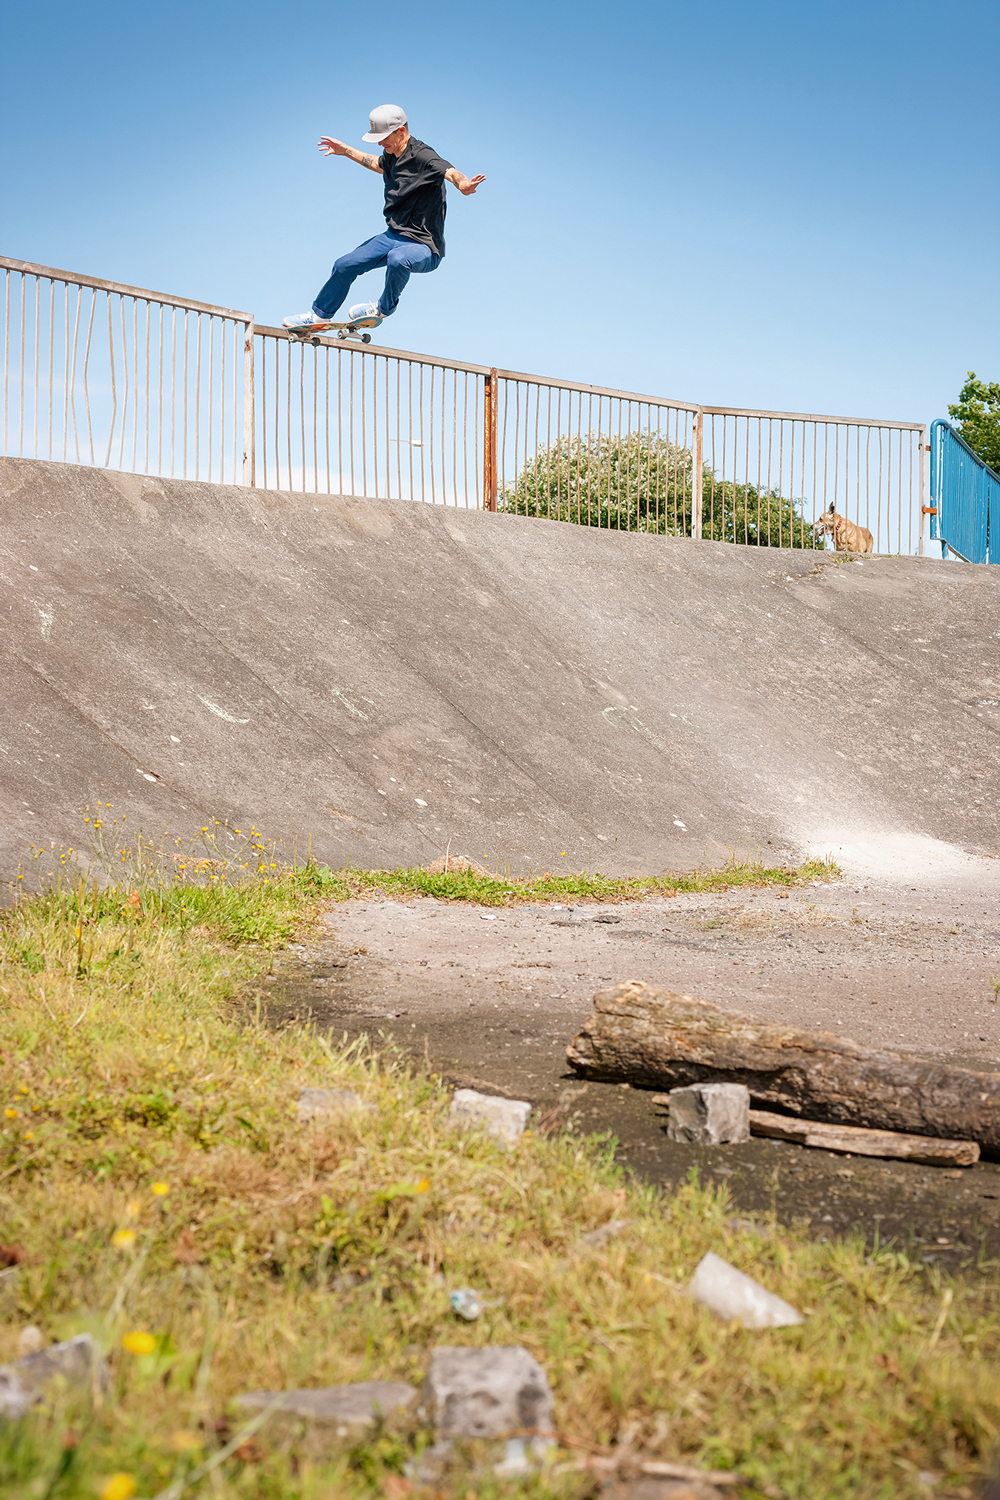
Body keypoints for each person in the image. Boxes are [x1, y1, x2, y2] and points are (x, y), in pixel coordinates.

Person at [283, 104, 485, 332]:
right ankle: (319, 316)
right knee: (344, 265)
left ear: (401, 131)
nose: (380, 143)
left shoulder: (423, 155)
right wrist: (346, 151)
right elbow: (378, 164)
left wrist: (463, 184)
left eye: (383, 138)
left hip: (425, 246)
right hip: (392, 235)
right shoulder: (391, 155)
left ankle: (383, 309)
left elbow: (449, 171)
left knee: (398, 259)